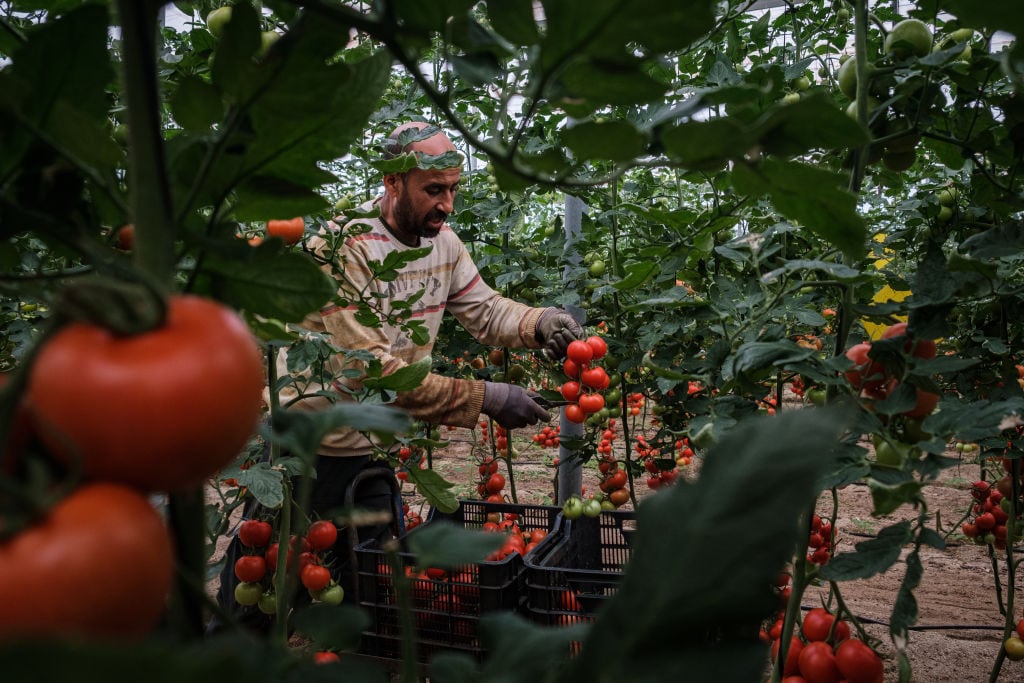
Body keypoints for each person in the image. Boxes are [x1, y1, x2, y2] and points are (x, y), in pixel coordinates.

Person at [210, 121, 582, 633]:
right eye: (434, 190)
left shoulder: (444, 242)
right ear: (392, 182)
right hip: (309, 444)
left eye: (452, 189)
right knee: (266, 580)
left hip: (372, 445)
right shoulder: (344, 245)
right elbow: (371, 371)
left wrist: (540, 322)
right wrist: (486, 396)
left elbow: (486, 309)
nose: (447, 204)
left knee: (373, 585)